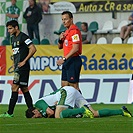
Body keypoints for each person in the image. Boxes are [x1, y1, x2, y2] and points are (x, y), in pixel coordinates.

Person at [0, 20, 37, 118]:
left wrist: (24, 61)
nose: (8, 31)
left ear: (16, 27)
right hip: (18, 67)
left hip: (23, 67)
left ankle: (10, 113)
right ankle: (32, 111)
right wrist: (14, 63)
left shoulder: (24, 37)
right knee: (24, 89)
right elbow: (16, 53)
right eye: (8, 29)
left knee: (14, 87)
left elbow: (33, 49)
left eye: (10, 28)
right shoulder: (13, 38)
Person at [25, 86, 132, 118]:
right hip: (72, 93)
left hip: (65, 92)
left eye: (36, 116)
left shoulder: (39, 103)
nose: (38, 117)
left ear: (35, 111)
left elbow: (51, 113)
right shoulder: (40, 109)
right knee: (94, 114)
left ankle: (82, 110)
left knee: (58, 116)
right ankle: (121, 111)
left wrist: (50, 113)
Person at [56, 11, 82, 92]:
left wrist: (63, 59)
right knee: (64, 85)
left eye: (66, 19)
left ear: (71, 19)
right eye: (62, 19)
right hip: (67, 60)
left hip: (73, 60)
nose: (64, 21)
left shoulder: (75, 31)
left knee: (74, 86)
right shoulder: (66, 32)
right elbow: (60, 47)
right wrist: (60, 39)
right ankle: (68, 104)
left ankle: (84, 104)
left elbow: (76, 48)